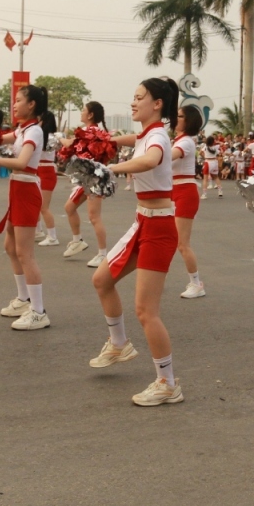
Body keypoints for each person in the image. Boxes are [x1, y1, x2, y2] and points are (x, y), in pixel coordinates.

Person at [88, 77, 184, 407]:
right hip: (142, 222)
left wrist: (111, 167)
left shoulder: (158, 136)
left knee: (146, 311)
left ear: (157, 104)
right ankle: (119, 344)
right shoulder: (145, 133)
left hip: (159, 229)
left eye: (139, 97)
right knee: (101, 280)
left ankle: (168, 382)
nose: (133, 102)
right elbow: (130, 140)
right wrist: (100, 139)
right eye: (133, 96)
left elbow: (151, 159)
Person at [0, 85, 52, 329]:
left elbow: (22, 162)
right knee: (10, 246)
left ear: (32, 104)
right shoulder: (22, 129)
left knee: (25, 253)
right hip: (18, 188)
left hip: (26, 189)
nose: (14, 105)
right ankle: (24, 299)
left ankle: (39, 311)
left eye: (18, 100)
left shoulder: (34, 131)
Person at [62, 101, 109, 268]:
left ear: (90, 115)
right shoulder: (95, 132)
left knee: (94, 217)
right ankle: (77, 240)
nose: (81, 113)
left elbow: (70, 144)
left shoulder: (90, 132)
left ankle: (103, 254)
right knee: (69, 207)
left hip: (93, 178)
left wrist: (58, 137)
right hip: (88, 178)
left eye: (83, 110)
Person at [171, 104, 206, 299]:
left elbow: (165, 159)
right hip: (174, 190)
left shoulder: (185, 142)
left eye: (180, 116)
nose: (176, 118)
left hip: (184, 191)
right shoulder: (178, 140)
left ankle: (196, 283)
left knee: (182, 243)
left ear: (189, 121)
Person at [35, 108, 61, 246]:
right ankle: (38, 230)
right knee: (37, 204)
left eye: (39, 118)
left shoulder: (50, 137)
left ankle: (52, 237)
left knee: (44, 207)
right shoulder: (42, 135)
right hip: (38, 171)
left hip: (46, 172)